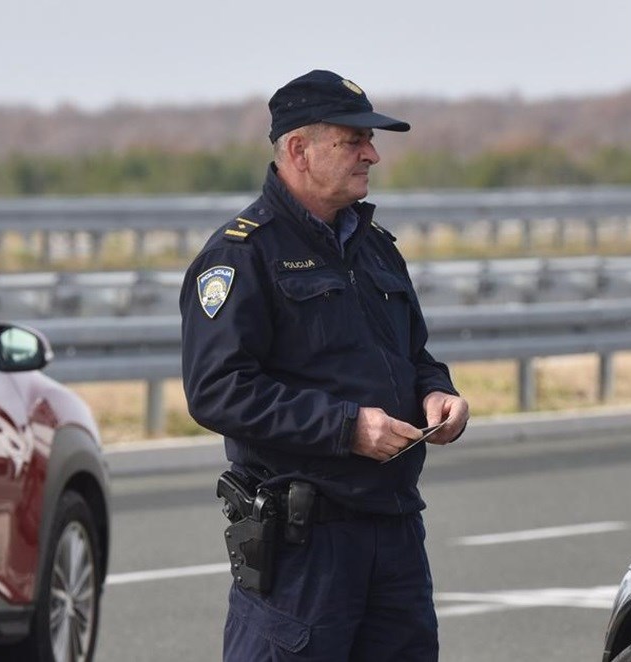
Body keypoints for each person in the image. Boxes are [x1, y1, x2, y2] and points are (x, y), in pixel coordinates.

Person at [179, 69, 469, 661]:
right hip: (302, 543)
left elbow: (414, 355)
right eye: (353, 140)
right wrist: (345, 427)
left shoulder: (375, 246)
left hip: (393, 529)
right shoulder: (243, 255)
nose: (373, 154)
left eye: (370, 140)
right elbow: (217, 390)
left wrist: (438, 393)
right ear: (298, 150)